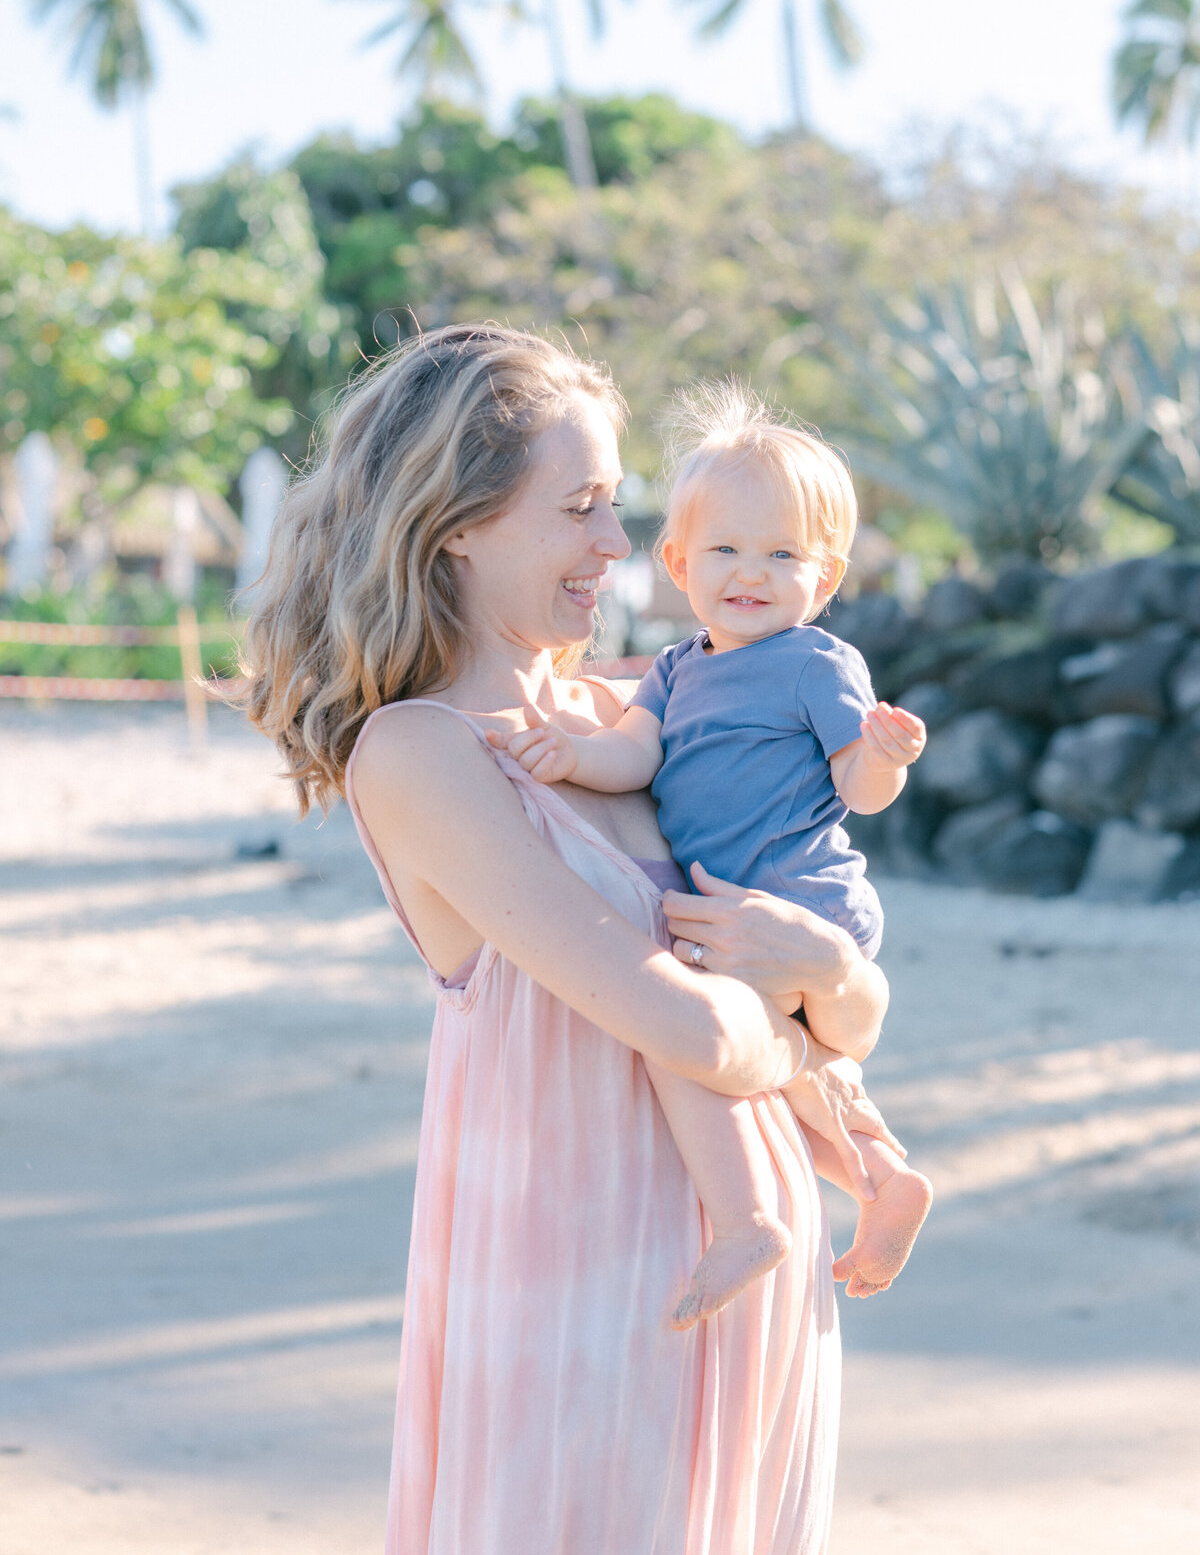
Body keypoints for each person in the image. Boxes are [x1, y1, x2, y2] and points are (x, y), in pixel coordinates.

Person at [241, 323, 901, 1555]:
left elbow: (854, 1011)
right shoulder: (425, 751)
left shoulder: (636, 711)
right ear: (458, 525)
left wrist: (829, 972)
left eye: (619, 508)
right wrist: (800, 1003)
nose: (619, 547)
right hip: (585, 1291)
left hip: (756, 1284)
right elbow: (695, 1023)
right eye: (582, 509)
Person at [488, 384, 933, 1331]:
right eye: (726, 549)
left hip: (799, 897)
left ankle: (745, 1219)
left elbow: (856, 787)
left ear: (825, 576)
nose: (752, 572)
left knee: (688, 1040)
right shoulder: (678, 669)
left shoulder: (815, 663)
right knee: (797, 1062)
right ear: (679, 561)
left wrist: (882, 757)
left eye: (783, 554)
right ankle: (883, 1173)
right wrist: (572, 754)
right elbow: (637, 754)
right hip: (739, 903)